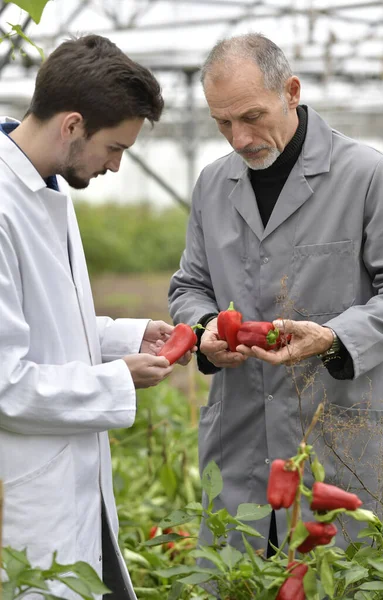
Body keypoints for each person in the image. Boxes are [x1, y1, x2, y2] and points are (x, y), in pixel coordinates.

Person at [169, 33, 383, 557]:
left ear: (291, 91)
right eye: (222, 123)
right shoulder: (213, 185)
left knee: (341, 578)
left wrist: (336, 336)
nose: (238, 137)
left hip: (341, 441)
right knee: (242, 576)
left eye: (251, 116)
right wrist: (205, 329)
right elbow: (190, 286)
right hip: (242, 441)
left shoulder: (367, 176)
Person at [0, 34, 192, 600]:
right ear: (72, 125)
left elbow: (47, 324)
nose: (115, 164)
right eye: (115, 147)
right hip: (26, 498)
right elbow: (6, 383)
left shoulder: (45, 188)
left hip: (69, 485)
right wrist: (118, 377)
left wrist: (127, 336)